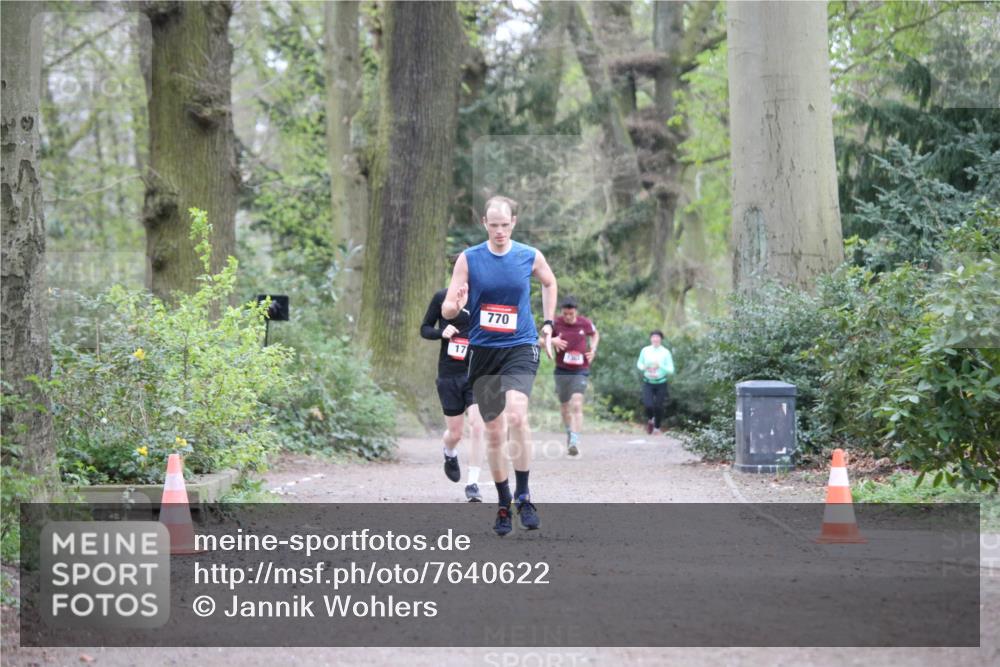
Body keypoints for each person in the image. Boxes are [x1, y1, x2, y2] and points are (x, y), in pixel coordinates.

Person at [442, 195, 557, 536]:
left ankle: (525, 495)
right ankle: (504, 503)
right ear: (484, 224)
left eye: (505, 225)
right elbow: (448, 307)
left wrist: (548, 324)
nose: (500, 231)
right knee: (494, 431)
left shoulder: (529, 255)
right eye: (494, 226)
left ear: (514, 223)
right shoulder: (469, 259)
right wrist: (456, 306)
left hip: (520, 345)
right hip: (484, 351)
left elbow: (549, 282)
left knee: (518, 415)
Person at [420, 288, 486, 502]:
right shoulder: (442, 298)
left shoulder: (483, 296)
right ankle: (449, 453)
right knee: (455, 433)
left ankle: (473, 483)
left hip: (477, 373)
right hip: (449, 374)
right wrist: (442, 332)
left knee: (477, 425)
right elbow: (425, 329)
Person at [550, 296, 598, 456]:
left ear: (575, 312)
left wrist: (593, 348)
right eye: (565, 314)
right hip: (562, 370)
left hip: (580, 370)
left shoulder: (584, 323)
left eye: (570, 314)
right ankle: (569, 431)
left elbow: (595, 334)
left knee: (576, 403)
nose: (568, 317)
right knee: (564, 406)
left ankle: (575, 441)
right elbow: (540, 340)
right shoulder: (556, 323)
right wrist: (552, 341)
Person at [636, 330, 674, 435]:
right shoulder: (645, 350)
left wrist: (660, 365)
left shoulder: (666, 352)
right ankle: (651, 419)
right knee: (648, 405)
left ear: (661, 339)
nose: (655, 339)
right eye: (653, 337)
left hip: (661, 382)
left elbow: (671, 370)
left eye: (658, 337)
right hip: (648, 381)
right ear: (650, 339)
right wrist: (644, 367)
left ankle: (657, 427)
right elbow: (639, 364)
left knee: (658, 406)